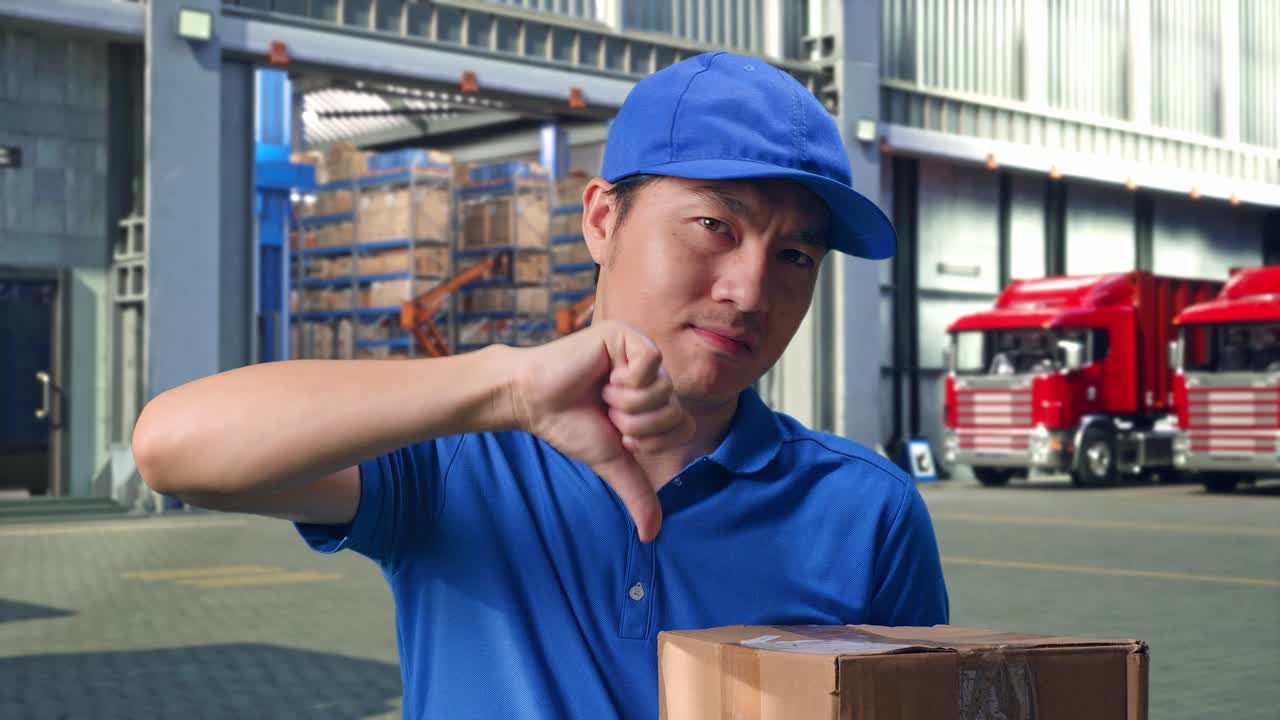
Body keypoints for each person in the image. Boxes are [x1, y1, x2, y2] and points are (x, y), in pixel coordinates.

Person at [133, 52, 948, 720]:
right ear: (602, 220)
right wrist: (507, 387)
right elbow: (174, 448)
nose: (749, 290)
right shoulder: (462, 458)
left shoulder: (866, 510)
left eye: (794, 257)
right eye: (715, 227)